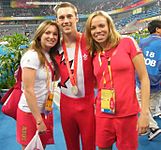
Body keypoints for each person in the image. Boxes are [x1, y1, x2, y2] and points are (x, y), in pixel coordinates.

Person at [85, 10, 150, 150]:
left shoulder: (127, 42)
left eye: (101, 26)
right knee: (103, 148)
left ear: (109, 26)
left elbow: (144, 78)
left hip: (127, 114)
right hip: (104, 113)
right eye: (93, 28)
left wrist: (145, 113)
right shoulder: (93, 53)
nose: (98, 31)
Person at [54, 2, 96, 150]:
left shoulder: (90, 41)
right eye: (62, 17)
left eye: (69, 16)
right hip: (66, 106)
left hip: (88, 106)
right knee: (71, 146)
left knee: (89, 146)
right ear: (57, 21)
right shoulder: (54, 47)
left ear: (76, 18)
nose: (66, 20)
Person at [16, 20, 60, 150]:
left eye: (55, 34)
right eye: (48, 33)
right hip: (30, 112)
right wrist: (38, 120)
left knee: (41, 146)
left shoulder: (48, 55)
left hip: (44, 110)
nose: (51, 37)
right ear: (40, 35)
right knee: (30, 147)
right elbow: (28, 90)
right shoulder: (32, 56)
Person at [136, 19, 161, 141]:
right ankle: (149, 126)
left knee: (141, 102)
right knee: (151, 104)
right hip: (158, 81)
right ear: (157, 29)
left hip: (143, 80)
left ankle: (152, 127)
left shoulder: (142, 42)